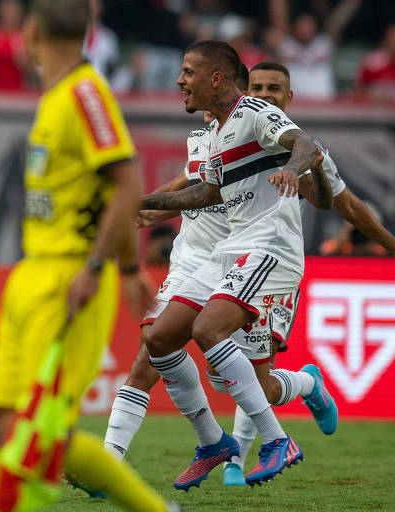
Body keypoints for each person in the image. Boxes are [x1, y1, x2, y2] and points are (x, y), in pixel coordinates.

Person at [0, 2, 179, 511]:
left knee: (41, 429)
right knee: (1, 419)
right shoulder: (55, 96)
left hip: (71, 275)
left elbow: (127, 182)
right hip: (33, 272)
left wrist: (112, 268)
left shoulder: (86, 94)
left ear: (29, 31)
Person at [137, 40, 334, 489]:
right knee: (161, 339)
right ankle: (212, 442)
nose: (179, 81)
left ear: (216, 78)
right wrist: (142, 201)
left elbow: (302, 143)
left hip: (271, 245)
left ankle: (276, 440)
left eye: (188, 72)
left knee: (208, 331)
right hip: (232, 247)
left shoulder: (254, 113)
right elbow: (203, 195)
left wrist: (294, 169)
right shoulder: (218, 134)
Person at [223, 60, 395, 484]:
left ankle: (235, 463)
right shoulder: (223, 139)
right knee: (236, 372)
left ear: (289, 98)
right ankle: (305, 385)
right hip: (227, 260)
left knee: (251, 365)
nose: (264, 94)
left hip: (276, 267)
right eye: (257, 87)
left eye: (274, 89)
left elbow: (342, 204)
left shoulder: (302, 146)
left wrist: (392, 245)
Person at [357, 23, 395, 104]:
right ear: (386, 40)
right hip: (376, 111)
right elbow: (359, 91)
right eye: (392, 38)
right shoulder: (372, 63)